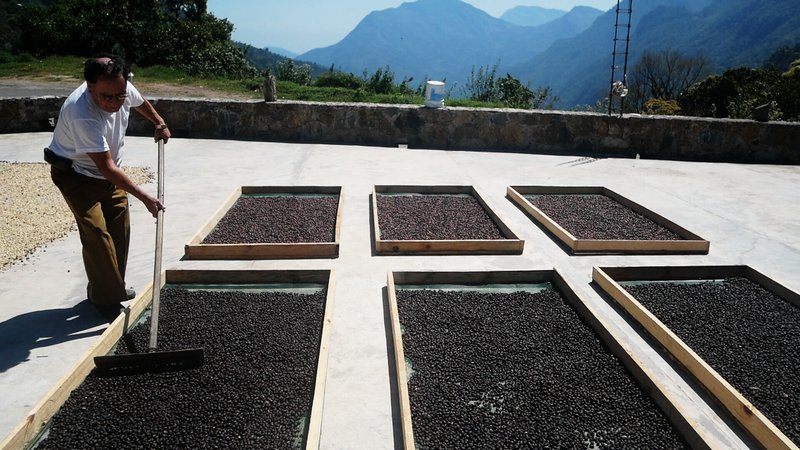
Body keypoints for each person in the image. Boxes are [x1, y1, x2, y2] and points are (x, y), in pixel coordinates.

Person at [44, 54, 171, 321]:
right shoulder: (81, 114)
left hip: (108, 175)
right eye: (107, 97)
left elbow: (140, 102)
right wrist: (146, 197)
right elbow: (106, 167)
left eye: (119, 96)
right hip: (76, 176)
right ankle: (106, 299)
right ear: (91, 88)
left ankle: (110, 288)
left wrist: (159, 122)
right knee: (97, 234)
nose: (114, 102)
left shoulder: (119, 86)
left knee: (119, 230)